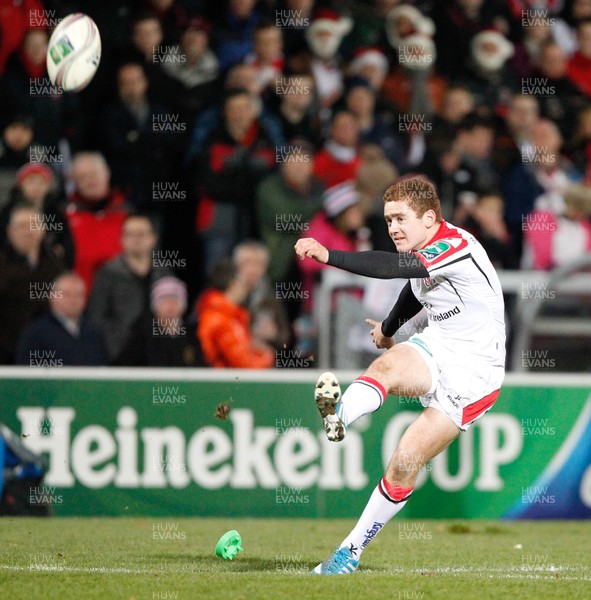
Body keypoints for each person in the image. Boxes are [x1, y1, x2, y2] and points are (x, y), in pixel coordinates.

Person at [294, 175, 505, 574]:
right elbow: (414, 286)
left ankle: (351, 549)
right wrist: (388, 331)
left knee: (405, 461)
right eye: (388, 220)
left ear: (429, 218)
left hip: (476, 371)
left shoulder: (454, 244)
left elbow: (396, 269)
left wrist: (329, 255)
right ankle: (338, 417)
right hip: (439, 342)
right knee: (386, 368)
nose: (392, 228)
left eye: (400, 219)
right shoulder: (425, 250)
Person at [88, 213, 168, 362]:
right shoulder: (107, 273)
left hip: (159, 353)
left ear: (153, 238)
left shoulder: (164, 273)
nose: (136, 239)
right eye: (130, 234)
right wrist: (113, 341)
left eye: (141, 234)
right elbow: (96, 316)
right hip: (121, 353)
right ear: (122, 239)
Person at [15, 272, 108, 366]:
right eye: (66, 294)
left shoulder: (94, 333)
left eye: (78, 295)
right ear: (52, 296)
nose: (73, 299)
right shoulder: (36, 333)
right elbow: (28, 371)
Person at [196, 258, 275, 368]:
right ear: (232, 284)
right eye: (243, 283)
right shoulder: (220, 319)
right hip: (223, 383)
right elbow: (243, 365)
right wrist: (266, 355)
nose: (245, 289)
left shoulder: (228, 316)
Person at [115, 276, 205, 367]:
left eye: (174, 301)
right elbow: (122, 367)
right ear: (155, 306)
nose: (170, 307)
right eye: (164, 301)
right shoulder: (143, 334)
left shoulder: (193, 334)